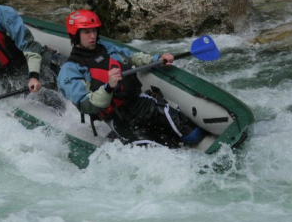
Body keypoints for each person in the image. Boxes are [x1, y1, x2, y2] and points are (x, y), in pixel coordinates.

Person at [57, 9, 206, 148]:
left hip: (140, 103)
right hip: (119, 117)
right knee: (152, 153)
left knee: (194, 135)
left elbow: (131, 56)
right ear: (76, 35)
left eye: (94, 31)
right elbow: (88, 105)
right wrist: (108, 87)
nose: (93, 36)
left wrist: (157, 58)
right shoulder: (70, 70)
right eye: (87, 32)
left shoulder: (105, 47)